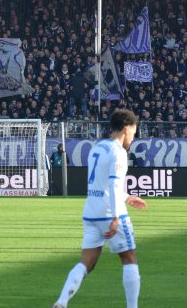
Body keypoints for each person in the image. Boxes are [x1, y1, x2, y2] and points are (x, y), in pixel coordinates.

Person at [53, 109, 147, 308]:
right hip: (110, 213)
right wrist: (115, 216)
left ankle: (62, 302)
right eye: (133, 132)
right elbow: (113, 184)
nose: (134, 137)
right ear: (125, 128)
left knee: (87, 262)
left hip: (91, 212)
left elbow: (100, 184)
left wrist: (127, 197)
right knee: (129, 258)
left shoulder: (98, 148)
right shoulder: (118, 152)